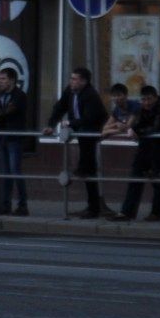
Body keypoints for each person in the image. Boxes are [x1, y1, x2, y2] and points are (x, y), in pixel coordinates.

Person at [45, 67, 107, 218]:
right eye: (71, 78)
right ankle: (92, 205)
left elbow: (90, 118)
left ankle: (94, 207)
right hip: (81, 132)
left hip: (91, 132)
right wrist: (51, 124)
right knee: (88, 168)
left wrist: (70, 123)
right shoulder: (70, 91)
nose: (71, 81)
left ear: (84, 81)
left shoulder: (90, 95)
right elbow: (59, 107)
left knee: (89, 167)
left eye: (75, 79)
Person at [110, 85, 160, 222]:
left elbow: (154, 128)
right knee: (135, 179)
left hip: (156, 149)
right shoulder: (141, 109)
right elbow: (138, 124)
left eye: (149, 99)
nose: (146, 103)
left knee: (157, 181)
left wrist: (137, 131)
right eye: (143, 100)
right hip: (144, 148)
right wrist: (133, 129)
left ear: (155, 98)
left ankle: (157, 213)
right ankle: (127, 212)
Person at [0, 67, 30, 216]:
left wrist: (0, 114)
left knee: (15, 171)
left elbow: (10, 111)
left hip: (14, 137)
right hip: (1, 136)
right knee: (5, 173)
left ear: (12, 80)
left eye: (3, 79)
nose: (0, 82)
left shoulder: (19, 96)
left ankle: (23, 205)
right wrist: (0, 114)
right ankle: (5, 205)